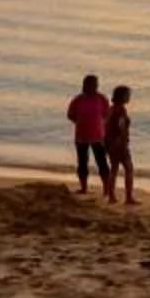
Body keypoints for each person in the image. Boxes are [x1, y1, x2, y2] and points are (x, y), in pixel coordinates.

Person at [65, 72, 113, 201]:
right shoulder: (78, 99)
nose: (94, 87)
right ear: (85, 85)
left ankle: (106, 189)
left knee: (101, 162)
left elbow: (106, 114)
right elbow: (70, 114)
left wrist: (100, 126)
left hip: (97, 135)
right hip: (81, 135)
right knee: (82, 162)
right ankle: (84, 187)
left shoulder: (101, 98)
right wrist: (79, 122)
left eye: (96, 84)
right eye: (91, 84)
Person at [109, 84, 137, 206]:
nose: (129, 97)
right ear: (122, 97)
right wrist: (124, 138)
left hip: (110, 142)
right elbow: (120, 125)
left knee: (114, 168)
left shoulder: (111, 109)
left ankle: (111, 196)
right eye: (127, 95)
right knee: (128, 169)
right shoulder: (121, 110)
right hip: (119, 142)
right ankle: (128, 197)